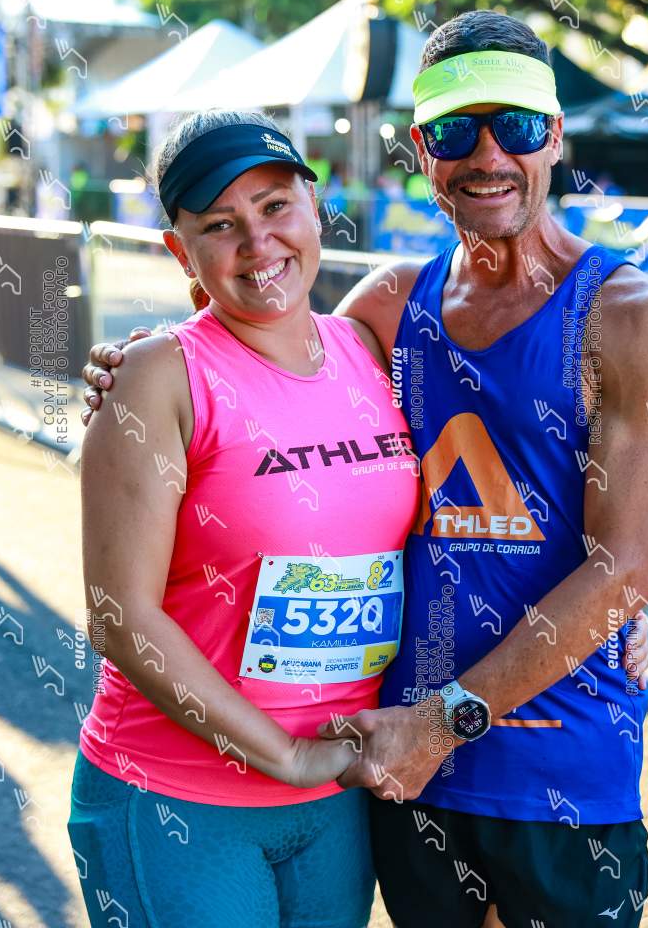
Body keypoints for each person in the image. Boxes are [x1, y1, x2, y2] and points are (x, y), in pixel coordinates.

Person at [82, 12, 648, 928]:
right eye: (453, 132)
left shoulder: (626, 313)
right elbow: (256, 353)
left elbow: (622, 555)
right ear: (422, 152)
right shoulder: (388, 310)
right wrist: (135, 374)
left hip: (533, 766)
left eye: (515, 125)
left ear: (554, 135)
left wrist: (636, 588)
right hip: (377, 769)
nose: (488, 155)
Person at [69, 110, 422, 928]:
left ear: (314, 207)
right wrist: (287, 755)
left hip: (334, 798)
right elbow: (120, 618)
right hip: (178, 801)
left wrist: (621, 606)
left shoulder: (370, 349)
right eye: (220, 225)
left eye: (274, 207)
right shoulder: (157, 376)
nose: (258, 244)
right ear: (180, 251)